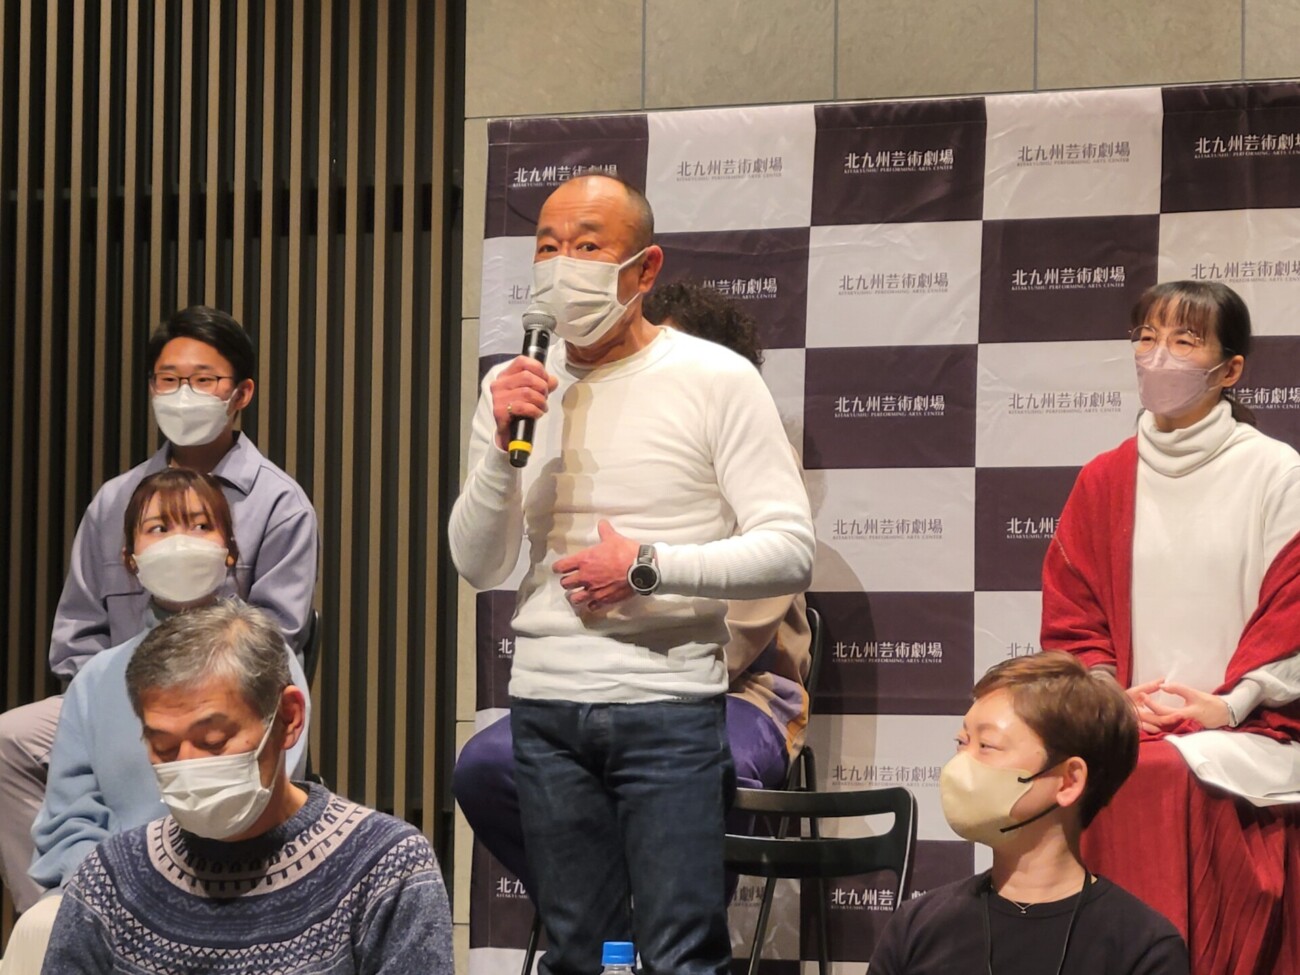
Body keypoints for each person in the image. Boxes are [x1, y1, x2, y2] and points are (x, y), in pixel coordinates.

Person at [449, 176, 815, 975]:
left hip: (667, 702)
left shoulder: (716, 377)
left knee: (681, 953)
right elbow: (477, 562)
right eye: (548, 246)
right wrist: (500, 454)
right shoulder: (516, 386)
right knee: (577, 954)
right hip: (545, 703)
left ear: (644, 269)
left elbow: (789, 548)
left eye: (587, 246)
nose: (562, 264)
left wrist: (647, 566)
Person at [0, 305, 319, 912]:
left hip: (228, 693)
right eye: (169, 380)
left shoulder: (280, 502)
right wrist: (113, 705)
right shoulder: (114, 500)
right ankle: (58, 908)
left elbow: (277, 636)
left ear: (241, 392)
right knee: (10, 740)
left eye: (203, 379)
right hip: (115, 691)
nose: (184, 393)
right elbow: (77, 633)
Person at [1041, 280, 1300, 975]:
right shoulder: (1103, 478)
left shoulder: (1278, 473)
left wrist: (1228, 704)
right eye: (1147, 338)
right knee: (1063, 765)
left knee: (1158, 772)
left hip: (1249, 727)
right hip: (1130, 719)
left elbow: (1293, 609)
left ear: (1231, 369)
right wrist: (1106, 697)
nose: (1159, 357)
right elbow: (1074, 612)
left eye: (1184, 341)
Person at [0, 470, 314, 975]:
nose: (180, 542)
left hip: (251, 887)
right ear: (130, 557)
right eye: (159, 528)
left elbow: (271, 798)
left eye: (200, 525)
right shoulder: (95, 679)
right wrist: (122, 887)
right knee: (39, 927)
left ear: (229, 550)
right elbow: (67, 821)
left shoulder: (268, 661)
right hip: (119, 891)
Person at [40, 601, 451, 975]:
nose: (187, 764)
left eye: (213, 740)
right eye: (163, 746)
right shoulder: (111, 879)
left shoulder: (383, 866)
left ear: (288, 718)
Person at [869, 652, 1188, 975]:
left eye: (986, 745)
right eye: (962, 742)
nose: (961, 763)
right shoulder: (916, 927)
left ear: (1069, 781)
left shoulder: (1143, 948)